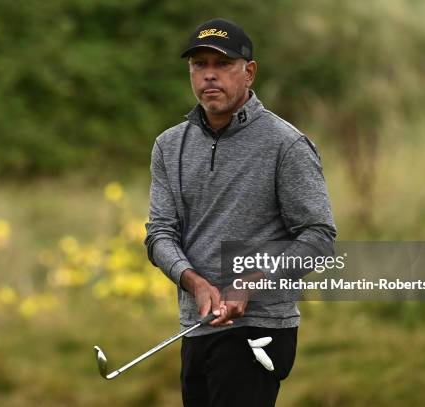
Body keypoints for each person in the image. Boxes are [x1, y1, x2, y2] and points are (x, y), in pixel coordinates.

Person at [145, 18, 337, 407]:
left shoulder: (286, 145)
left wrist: (254, 282)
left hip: (259, 328)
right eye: (200, 65)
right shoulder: (169, 146)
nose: (210, 75)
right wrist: (192, 281)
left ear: (249, 72)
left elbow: (319, 237)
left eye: (223, 64)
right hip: (195, 327)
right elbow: (159, 233)